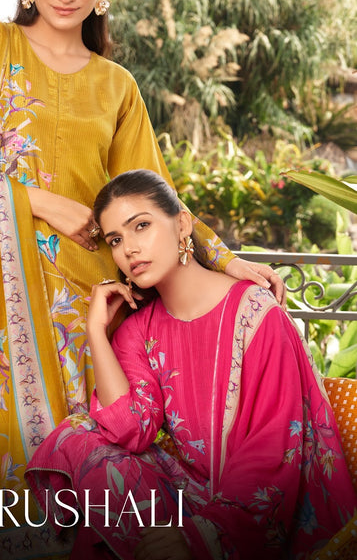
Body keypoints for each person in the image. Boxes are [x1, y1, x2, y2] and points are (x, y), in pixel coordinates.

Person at [0, 0, 285, 560]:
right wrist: (39, 202)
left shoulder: (115, 86)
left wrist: (225, 260)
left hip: (85, 308)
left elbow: (156, 197)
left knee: (77, 475)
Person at [25, 169, 357, 560]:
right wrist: (96, 330)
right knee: (79, 436)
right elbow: (130, 430)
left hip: (265, 509)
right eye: (115, 239)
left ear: (182, 224)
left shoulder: (256, 314)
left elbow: (273, 446)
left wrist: (203, 535)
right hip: (193, 496)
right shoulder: (138, 330)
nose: (129, 249)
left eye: (141, 226)